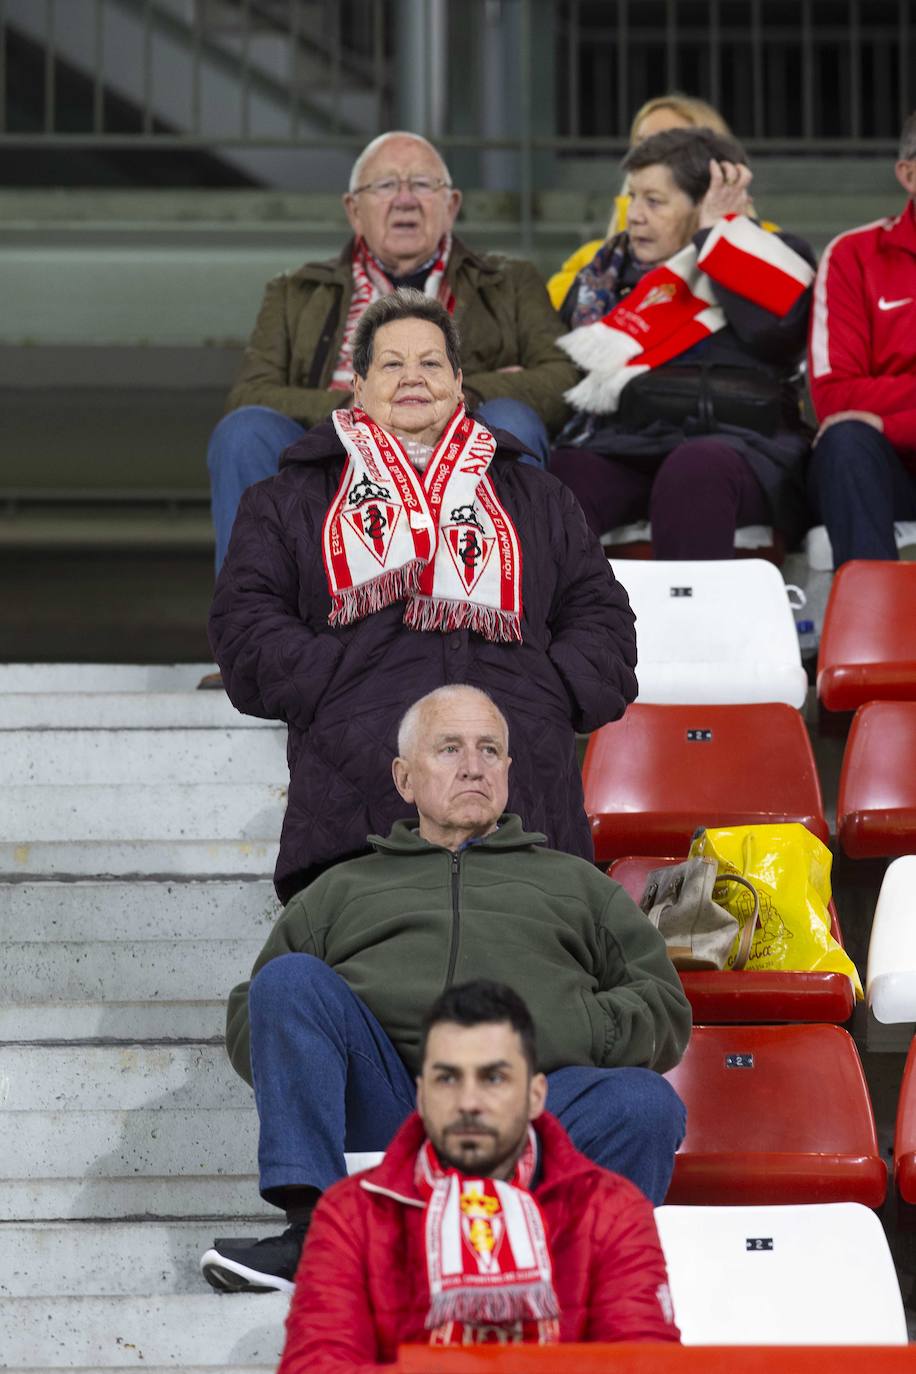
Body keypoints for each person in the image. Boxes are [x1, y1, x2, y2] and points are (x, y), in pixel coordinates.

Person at [198, 684, 690, 1295]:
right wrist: (331, 1055)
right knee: (290, 979)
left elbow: (665, 1007)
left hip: (529, 1108)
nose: (473, 765)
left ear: (509, 772)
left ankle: (566, 1274)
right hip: (389, 1106)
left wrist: (570, 1025)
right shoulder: (339, 889)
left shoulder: (579, 886)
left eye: (490, 750)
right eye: (450, 748)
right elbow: (255, 1013)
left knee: (646, 1105)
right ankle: (317, 1233)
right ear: (405, 779)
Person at [209, 290, 637, 903]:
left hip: (525, 803)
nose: (413, 377)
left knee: (526, 983)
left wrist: (548, 689)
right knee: (372, 988)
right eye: (391, 363)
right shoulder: (288, 499)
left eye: (431, 363)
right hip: (355, 808)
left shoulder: (538, 497)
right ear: (357, 385)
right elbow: (245, 625)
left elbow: (603, 617)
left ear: (459, 383)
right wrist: (335, 683)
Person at [207, 129, 579, 572]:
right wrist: (354, 404)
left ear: (452, 205)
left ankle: (516, 615)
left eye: (423, 184)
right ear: (354, 210)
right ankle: (252, 623)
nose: (405, 199)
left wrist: (457, 396)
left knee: (513, 421)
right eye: (385, 186)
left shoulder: (510, 281)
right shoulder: (296, 292)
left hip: (456, 450)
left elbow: (562, 380)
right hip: (335, 456)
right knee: (243, 433)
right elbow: (250, 393)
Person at [275, 980, 681, 1371]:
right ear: (420, 1095)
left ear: (536, 1095)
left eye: (494, 1078)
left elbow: (646, 1363)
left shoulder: (611, 1209)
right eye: (447, 1078)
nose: (469, 1102)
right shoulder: (350, 1213)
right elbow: (313, 1366)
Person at [550, 127, 816, 559]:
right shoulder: (606, 274)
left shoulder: (775, 254)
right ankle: (565, 625)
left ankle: (691, 627)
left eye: (654, 201)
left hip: (739, 450)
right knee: (563, 474)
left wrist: (715, 236)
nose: (634, 215)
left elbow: (774, 336)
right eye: (632, 197)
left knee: (694, 468)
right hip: (628, 445)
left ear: (707, 200)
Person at [807, 111, 916, 564]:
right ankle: (873, 630)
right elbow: (835, 398)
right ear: (908, 173)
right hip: (888, 474)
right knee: (846, 440)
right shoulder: (854, 255)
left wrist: (892, 421)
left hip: (893, 433)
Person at [548, 93, 733, 311]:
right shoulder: (590, 261)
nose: (650, 154)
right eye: (642, 142)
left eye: (669, 143)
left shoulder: (758, 254)